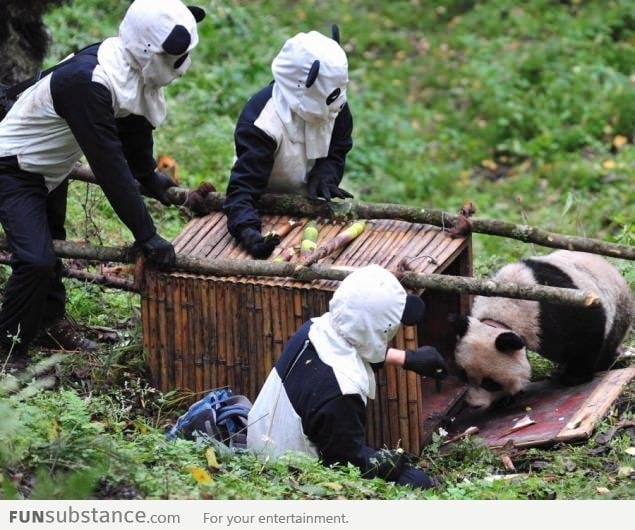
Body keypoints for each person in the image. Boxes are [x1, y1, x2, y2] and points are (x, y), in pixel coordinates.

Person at [0, 0, 206, 356]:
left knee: (51, 241)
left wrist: (150, 177)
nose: (182, 66)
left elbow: (135, 127)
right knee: (35, 260)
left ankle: (49, 320)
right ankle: (8, 348)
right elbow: (110, 167)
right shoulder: (90, 82)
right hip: (13, 168)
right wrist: (147, 234)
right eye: (176, 56)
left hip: (50, 166)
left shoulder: (126, 67)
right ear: (149, 49)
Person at [247, 265, 448, 490]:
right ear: (382, 327)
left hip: (260, 438)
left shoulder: (313, 329)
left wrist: (407, 358)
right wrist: (394, 463)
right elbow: (347, 461)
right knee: (417, 482)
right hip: (289, 470)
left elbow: (353, 346)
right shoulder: (343, 392)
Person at [223, 28, 354, 259]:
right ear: (302, 85)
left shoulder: (333, 102)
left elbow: (339, 144)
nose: (339, 104)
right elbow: (242, 191)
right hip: (265, 204)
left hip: (311, 210)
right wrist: (249, 232)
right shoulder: (262, 124)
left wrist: (327, 173)